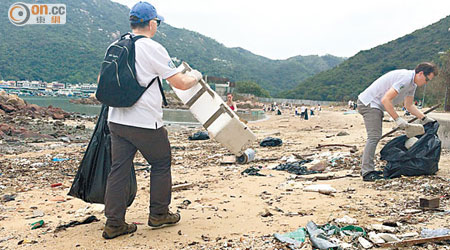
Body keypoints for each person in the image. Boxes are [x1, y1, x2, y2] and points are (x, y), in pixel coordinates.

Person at [102, 1, 203, 239]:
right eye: (156, 22)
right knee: (160, 162)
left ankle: (114, 223)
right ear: (151, 23)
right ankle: (159, 214)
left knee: (119, 169)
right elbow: (179, 82)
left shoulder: (115, 45)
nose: (156, 26)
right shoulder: (152, 47)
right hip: (145, 121)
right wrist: (196, 76)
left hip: (116, 119)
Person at [357, 62, 438, 182]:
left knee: (375, 136)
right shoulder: (405, 78)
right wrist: (397, 118)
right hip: (369, 103)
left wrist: (424, 118)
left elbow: (409, 105)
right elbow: (386, 99)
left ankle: (367, 168)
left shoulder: (412, 84)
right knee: (374, 136)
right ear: (420, 73)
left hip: (376, 105)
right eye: (426, 79)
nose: (426, 83)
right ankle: (367, 172)